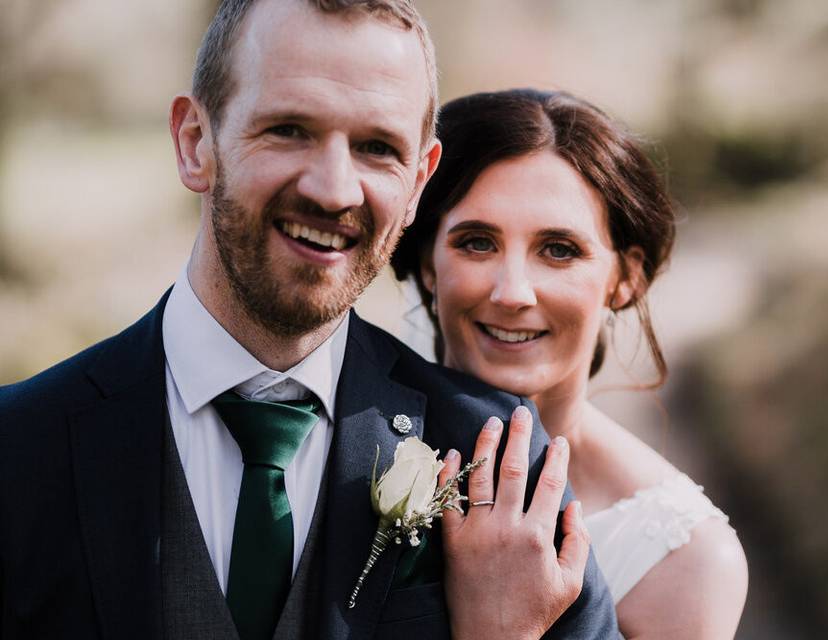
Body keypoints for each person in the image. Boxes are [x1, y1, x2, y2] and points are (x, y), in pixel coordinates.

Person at [0, 3, 620, 639]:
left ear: (417, 184)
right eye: (289, 130)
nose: (333, 190)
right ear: (195, 143)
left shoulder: (499, 466)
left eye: (377, 148)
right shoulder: (18, 449)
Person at [392, 88, 750, 639]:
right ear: (429, 265)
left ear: (624, 278)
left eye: (558, 249)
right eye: (477, 242)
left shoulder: (685, 563)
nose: (513, 293)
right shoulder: (341, 433)